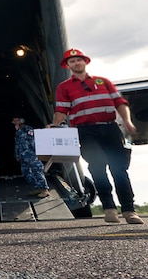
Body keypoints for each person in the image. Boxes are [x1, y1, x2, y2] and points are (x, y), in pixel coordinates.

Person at [52, 48, 144, 225]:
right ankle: (109, 208)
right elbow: (62, 110)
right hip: (86, 132)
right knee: (97, 168)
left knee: (119, 170)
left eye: (79, 60)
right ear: (68, 65)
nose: (76, 63)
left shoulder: (104, 82)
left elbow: (120, 103)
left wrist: (127, 121)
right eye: (72, 61)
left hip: (110, 129)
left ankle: (129, 210)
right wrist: (55, 126)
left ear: (85, 62)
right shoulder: (64, 87)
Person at [12, 117, 49, 198]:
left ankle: (44, 189)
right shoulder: (18, 132)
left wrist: (38, 153)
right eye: (14, 121)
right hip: (23, 156)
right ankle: (37, 187)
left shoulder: (27, 129)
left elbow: (33, 141)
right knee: (26, 173)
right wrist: (17, 155)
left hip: (31, 155)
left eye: (17, 120)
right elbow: (17, 145)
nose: (15, 122)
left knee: (37, 171)